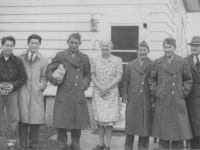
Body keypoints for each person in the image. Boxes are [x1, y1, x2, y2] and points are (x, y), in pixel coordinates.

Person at [46, 33, 91, 150]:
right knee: (61, 123)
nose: (74, 45)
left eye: (76, 43)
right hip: (63, 93)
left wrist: (84, 84)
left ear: (80, 44)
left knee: (77, 123)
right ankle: (61, 146)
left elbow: (87, 74)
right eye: (72, 42)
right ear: (68, 42)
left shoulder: (84, 58)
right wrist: (56, 79)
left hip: (78, 94)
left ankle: (76, 146)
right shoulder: (60, 55)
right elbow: (49, 70)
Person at [149, 38, 193, 150]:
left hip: (177, 100)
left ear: (174, 48)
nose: (167, 50)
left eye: (170, 47)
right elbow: (152, 79)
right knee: (163, 134)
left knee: (177, 135)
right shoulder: (158, 61)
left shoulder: (183, 61)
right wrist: (156, 92)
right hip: (162, 100)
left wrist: (182, 92)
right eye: (165, 47)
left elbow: (188, 79)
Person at [18, 34, 49, 150]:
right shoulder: (20, 57)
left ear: (39, 45)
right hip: (23, 91)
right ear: (28, 44)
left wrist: (41, 87)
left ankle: (34, 145)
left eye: (37, 43)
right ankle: (22, 145)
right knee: (23, 118)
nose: (34, 45)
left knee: (35, 120)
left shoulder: (44, 60)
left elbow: (45, 76)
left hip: (36, 92)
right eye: (32, 43)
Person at [91, 40, 123, 150]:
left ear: (111, 47)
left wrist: (107, 88)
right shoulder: (95, 60)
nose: (105, 47)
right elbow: (93, 76)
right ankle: (101, 144)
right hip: (98, 92)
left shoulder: (117, 60)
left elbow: (118, 77)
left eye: (107, 45)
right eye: (103, 46)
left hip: (111, 92)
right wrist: (100, 88)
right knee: (100, 120)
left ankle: (108, 145)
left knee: (109, 121)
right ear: (100, 47)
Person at [121, 41, 153, 150]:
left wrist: (153, 99)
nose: (142, 52)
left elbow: (154, 82)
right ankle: (128, 147)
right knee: (131, 126)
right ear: (137, 51)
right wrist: (124, 95)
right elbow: (125, 81)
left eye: (144, 50)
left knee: (145, 127)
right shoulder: (130, 64)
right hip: (132, 99)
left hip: (146, 99)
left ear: (148, 51)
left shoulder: (152, 64)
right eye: (140, 50)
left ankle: (143, 147)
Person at [0, 36, 26, 150]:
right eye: (7, 45)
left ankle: (11, 143)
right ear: (2, 45)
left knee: (13, 117)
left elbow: (22, 77)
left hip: (12, 91)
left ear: (14, 46)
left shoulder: (17, 61)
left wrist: (13, 86)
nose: (9, 48)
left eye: (11, 45)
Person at [185, 36, 200, 150]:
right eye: (192, 45)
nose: (194, 47)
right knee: (194, 128)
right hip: (191, 99)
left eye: (197, 45)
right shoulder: (185, 61)